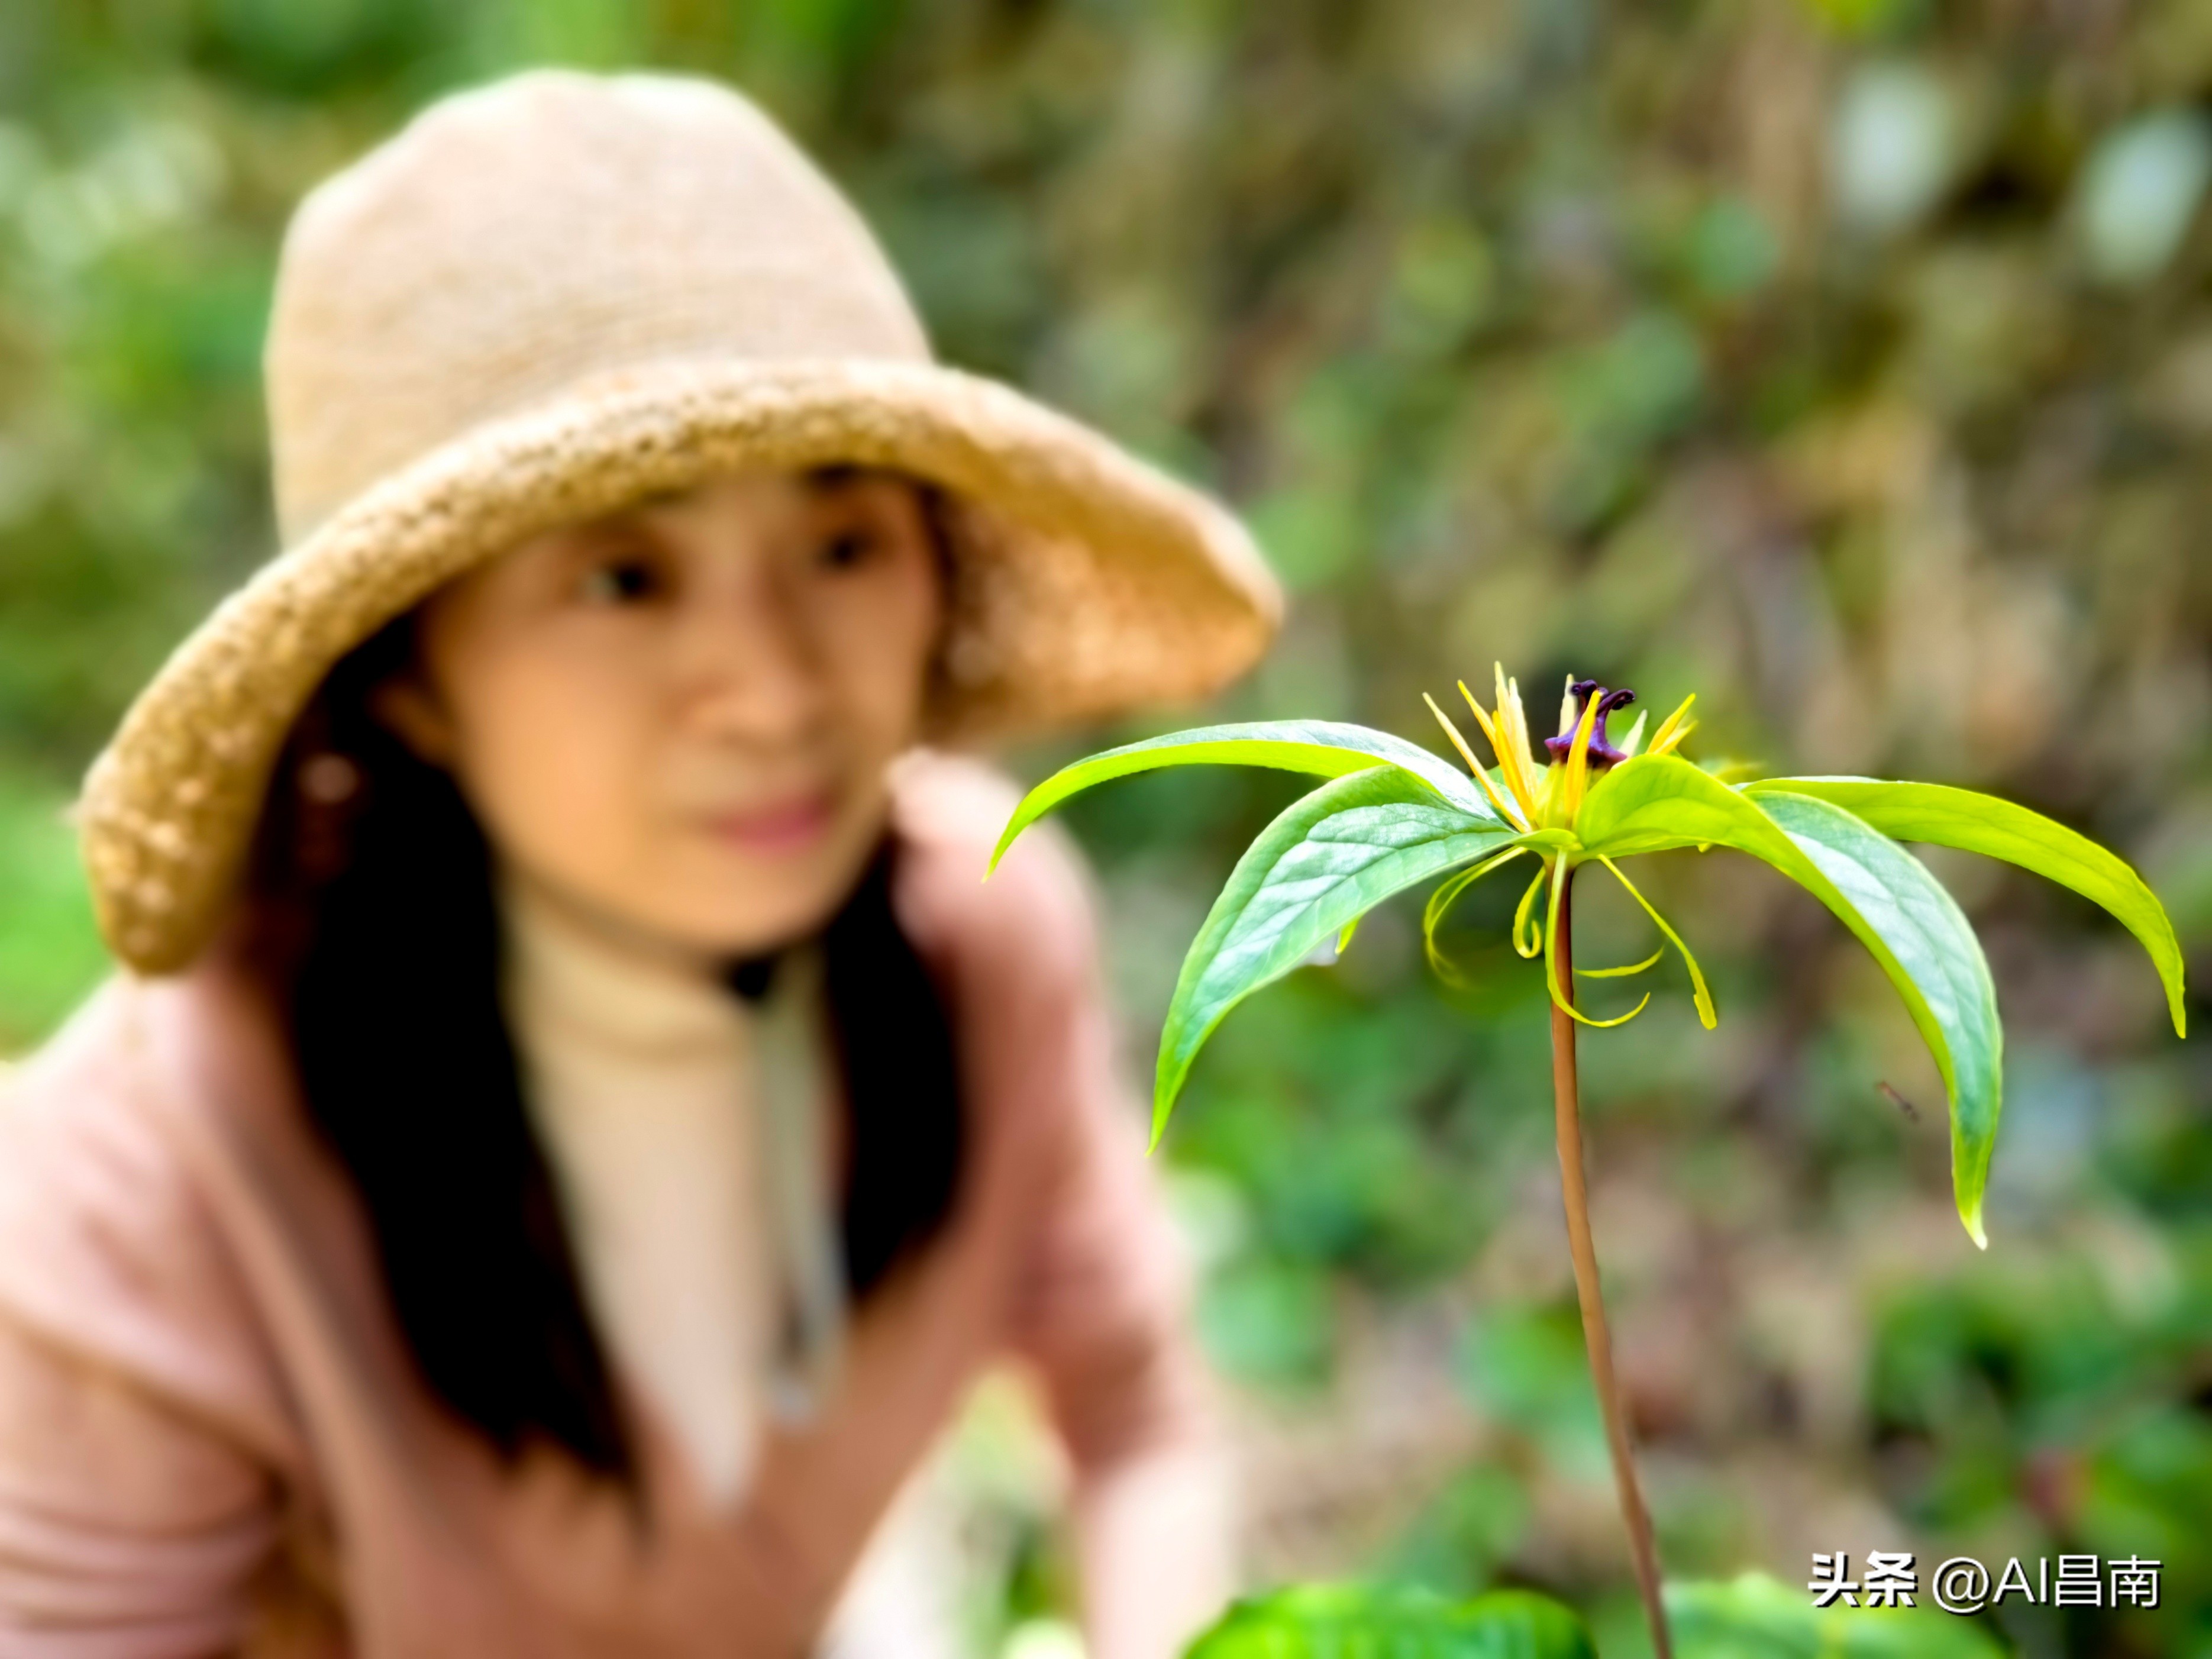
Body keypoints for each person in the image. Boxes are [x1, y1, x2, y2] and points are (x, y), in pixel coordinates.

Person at [0, 69, 1282, 1656]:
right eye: (623, 576)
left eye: (842, 542)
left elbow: (1136, 1414)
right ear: (406, 673)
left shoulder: (980, 939)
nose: (775, 689)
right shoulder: (150, 1178)